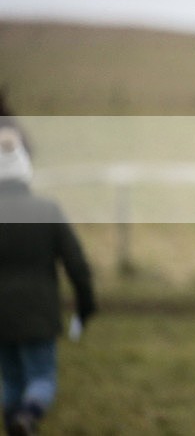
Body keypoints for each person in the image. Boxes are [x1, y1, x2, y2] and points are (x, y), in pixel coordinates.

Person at [0, 126, 97, 436]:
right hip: (39, 315)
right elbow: (77, 265)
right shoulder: (47, 210)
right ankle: (27, 418)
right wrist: (85, 306)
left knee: (10, 380)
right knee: (41, 378)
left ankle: (15, 421)